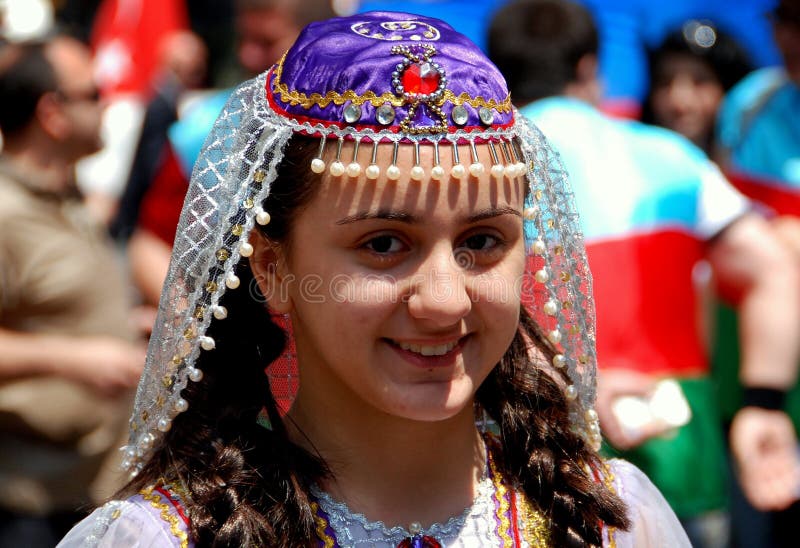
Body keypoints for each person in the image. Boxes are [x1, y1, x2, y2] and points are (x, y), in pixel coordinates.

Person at [58, 11, 690, 547]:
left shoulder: (609, 523)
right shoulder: (168, 537)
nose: (444, 300)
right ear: (272, 267)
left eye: (482, 240)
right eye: (384, 244)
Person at [488, 1, 800, 547]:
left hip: (532, 459)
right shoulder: (668, 157)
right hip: (678, 450)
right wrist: (763, 406)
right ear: (589, 68)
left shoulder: (480, 172)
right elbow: (775, 272)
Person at [0, 37, 145, 546]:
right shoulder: (6, 212)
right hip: (25, 508)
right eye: (94, 92)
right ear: (52, 112)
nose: (108, 104)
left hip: (86, 494)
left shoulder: (68, 195)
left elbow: (53, 308)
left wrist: (132, 328)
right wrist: (74, 357)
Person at [125, 0, 335, 308]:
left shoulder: (368, 135)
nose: (247, 55)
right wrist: (191, 326)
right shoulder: (206, 128)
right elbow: (150, 244)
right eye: (243, 40)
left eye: (266, 42)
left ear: (323, 44)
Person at [642, 19, 752, 157]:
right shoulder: (626, 161)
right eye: (665, 82)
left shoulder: (761, 162)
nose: (679, 101)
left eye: (700, 81)